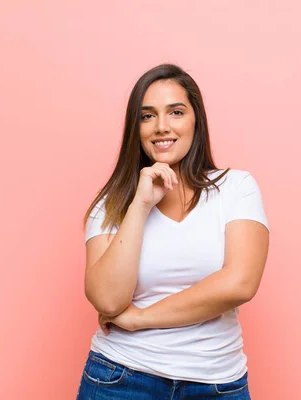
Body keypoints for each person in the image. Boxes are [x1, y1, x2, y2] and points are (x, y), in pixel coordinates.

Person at [77, 63, 269, 399]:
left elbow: (240, 282)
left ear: (196, 120)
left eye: (176, 112)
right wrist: (139, 205)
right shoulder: (111, 203)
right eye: (147, 116)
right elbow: (107, 298)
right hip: (120, 379)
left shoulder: (236, 188)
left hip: (217, 383)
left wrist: (140, 319)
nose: (161, 127)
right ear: (135, 128)